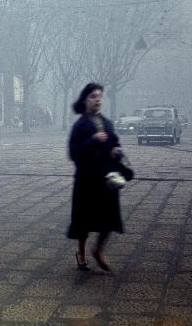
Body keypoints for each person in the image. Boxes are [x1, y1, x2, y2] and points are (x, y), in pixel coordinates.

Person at [67, 83, 124, 272]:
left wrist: (117, 151)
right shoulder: (80, 125)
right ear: (85, 100)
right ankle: (81, 253)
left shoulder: (107, 123)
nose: (97, 99)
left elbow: (115, 143)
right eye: (92, 96)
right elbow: (73, 153)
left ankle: (98, 249)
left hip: (106, 178)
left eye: (99, 95)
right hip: (86, 180)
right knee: (84, 220)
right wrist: (92, 140)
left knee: (109, 216)